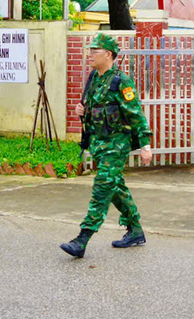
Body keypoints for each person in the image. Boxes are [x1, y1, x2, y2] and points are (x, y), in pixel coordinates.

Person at [63, 33, 153, 258]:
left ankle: (82, 238)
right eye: (90, 50)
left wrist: (145, 145)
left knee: (103, 187)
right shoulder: (94, 78)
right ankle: (135, 230)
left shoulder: (121, 81)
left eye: (96, 51)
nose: (90, 54)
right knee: (115, 188)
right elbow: (92, 108)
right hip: (99, 143)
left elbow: (136, 114)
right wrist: (81, 111)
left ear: (109, 55)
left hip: (116, 143)